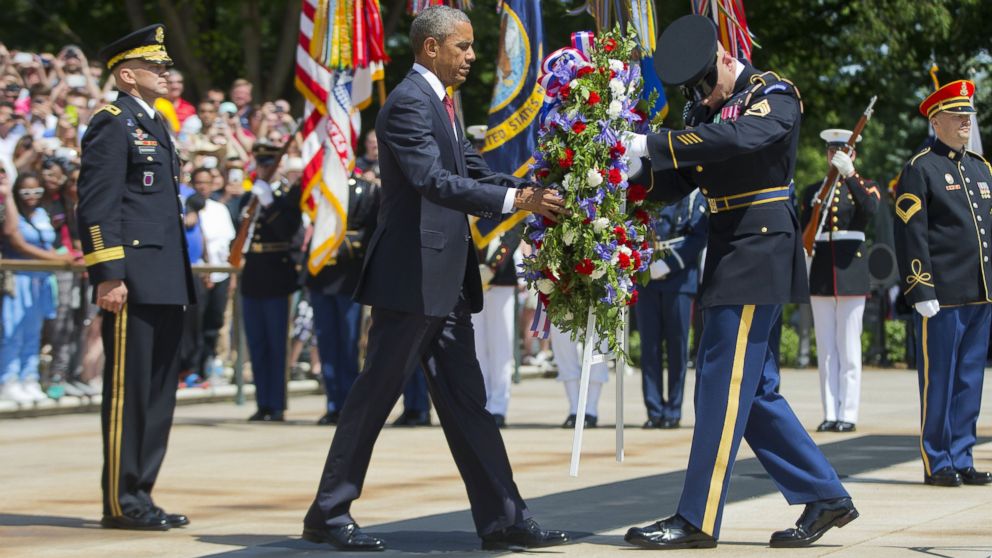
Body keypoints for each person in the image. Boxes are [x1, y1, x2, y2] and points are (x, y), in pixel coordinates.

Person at [302, 6, 569, 552]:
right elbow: (432, 180)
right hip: (410, 280)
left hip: (443, 282)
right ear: (431, 48)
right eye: (463, 47)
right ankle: (328, 514)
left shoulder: (443, 104)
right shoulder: (406, 104)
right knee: (374, 398)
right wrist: (518, 199)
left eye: (471, 47)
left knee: (468, 403)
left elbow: (471, 169)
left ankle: (503, 518)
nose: (472, 56)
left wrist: (538, 186)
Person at [622, 15, 856, 549]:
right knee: (752, 391)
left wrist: (658, 140)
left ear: (727, 59)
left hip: (759, 248)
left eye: (708, 85)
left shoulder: (772, 93)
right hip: (729, 249)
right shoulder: (704, 111)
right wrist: (625, 167)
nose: (703, 98)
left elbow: (740, 138)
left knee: (720, 387)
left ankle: (697, 519)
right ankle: (825, 496)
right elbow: (677, 181)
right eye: (696, 92)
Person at [75, 24, 195, 531]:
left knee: (159, 393)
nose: (166, 73)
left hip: (166, 275)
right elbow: (97, 204)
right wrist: (107, 272)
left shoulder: (155, 123)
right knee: (130, 394)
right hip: (133, 279)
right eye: (156, 66)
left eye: (165, 65)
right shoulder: (112, 122)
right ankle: (122, 500)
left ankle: (142, 492)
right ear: (128, 74)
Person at [892, 79, 992, 487]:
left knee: (970, 379)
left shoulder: (982, 168)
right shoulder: (920, 168)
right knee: (940, 382)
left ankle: (963, 453)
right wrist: (921, 289)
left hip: (981, 292)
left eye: (968, 114)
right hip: (942, 295)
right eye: (957, 114)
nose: (966, 121)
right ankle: (938, 459)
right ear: (936, 121)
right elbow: (911, 232)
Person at [800, 129, 880, 433]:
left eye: (842, 151)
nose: (835, 155)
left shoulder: (865, 186)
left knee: (849, 349)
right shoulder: (813, 190)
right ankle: (830, 411)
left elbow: (870, 210)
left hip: (851, 272)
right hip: (821, 272)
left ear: (852, 154)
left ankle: (848, 413)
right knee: (827, 350)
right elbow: (804, 228)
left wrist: (851, 175)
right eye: (831, 151)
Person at [307, 172, 379, 425]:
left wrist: (342, 244)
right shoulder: (318, 186)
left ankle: (349, 405)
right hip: (321, 276)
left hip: (349, 276)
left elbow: (370, 230)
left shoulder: (366, 190)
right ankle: (333, 402)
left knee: (348, 345)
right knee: (327, 344)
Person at [239, 141, 302, 421]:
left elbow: (288, 230)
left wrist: (269, 203)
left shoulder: (287, 195)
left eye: (269, 164)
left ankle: (276, 404)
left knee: (277, 344)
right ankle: (262, 401)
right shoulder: (248, 196)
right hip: (252, 273)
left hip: (277, 273)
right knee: (257, 343)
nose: (264, 169)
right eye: (261, 164)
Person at [637, 188, 708, 429]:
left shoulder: (692, 194)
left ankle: (673, 410)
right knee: (650, 348)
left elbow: (697, 237)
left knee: (677, 348)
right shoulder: (647, 187)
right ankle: (654, 410)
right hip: (647, 275)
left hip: (678, 278)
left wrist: (669, 264)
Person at [0, 173, 58, 404]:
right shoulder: (12, 213)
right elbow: (13, 237)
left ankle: (29, 378)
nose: (31, 197)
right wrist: (9, 197)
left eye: (36, 192)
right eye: (25, 192)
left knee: (34, 334)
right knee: (14, 332)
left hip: (41, 280)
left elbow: (49, 243)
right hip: (19, 279)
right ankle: (8, 380)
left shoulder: (43, 213)